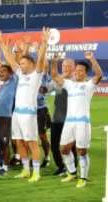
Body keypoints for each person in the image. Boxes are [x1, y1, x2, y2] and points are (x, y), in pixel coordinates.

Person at [0, 27, 49, 182]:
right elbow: (10, 59)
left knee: (32, 142)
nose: (21, 65)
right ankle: (26, 170)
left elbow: (40, 60)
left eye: (24, 63)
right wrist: (1, 43)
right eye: (21, 63)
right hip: (17, 113)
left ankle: (36, 172)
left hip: (28, 114)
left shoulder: (36, 75)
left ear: (31, 64)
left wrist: (44, 44)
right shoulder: (20, 74)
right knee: (19, 141)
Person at [51, 51, 102, 188]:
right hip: (69, 122)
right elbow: (55, 75)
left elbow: (99, 75)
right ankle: (72, 172)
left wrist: (92, 59)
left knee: (82, 151)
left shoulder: (89, 85)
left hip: (82, 122)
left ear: (85, 73)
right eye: (77, 70)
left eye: (81, 70)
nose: (77, 72)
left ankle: (83, 177)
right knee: (63, 149)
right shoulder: (69, 84)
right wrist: (55, 61)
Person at [49, 58, 76, 176]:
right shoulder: (58, 80)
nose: (66, 68)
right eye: (64, 65)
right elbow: (47, 89)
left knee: (71, 145)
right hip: (56, 118)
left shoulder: (77, 81)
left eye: (69, 66)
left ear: (73, 67)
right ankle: (61, 166)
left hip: (70, 119)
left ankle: (73, 168)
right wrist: (60, 78)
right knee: (54, 145)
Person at [0, 64, 18, 175]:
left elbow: (16, 70)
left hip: (5, 117)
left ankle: (5, 167)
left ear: (10, 73)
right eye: (0, 71)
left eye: (4, 71)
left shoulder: (13, 82)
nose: (1, 73)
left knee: (4, 143)